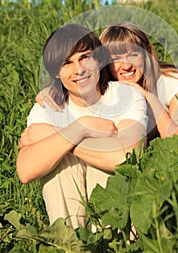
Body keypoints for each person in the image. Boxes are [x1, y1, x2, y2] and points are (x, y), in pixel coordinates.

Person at [17, 23, 148, 229]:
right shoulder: (47, 107)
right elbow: (25, 171)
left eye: (84, 57)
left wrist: (65, 137)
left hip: (119, 226)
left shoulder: (125, 94)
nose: (79, 70)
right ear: (56, 72)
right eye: (66, 63)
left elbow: (129, 156)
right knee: (60, 162)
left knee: (89, 150)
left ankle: (110, 242)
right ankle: (73, 244)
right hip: (71, 222)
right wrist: (81, 128)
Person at [99, 21, 178, 142]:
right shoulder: (104, 90)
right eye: (116, 59)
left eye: (133, 55)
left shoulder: (170, 80)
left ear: (147, 51)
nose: (126, 66)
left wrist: (150, 97)